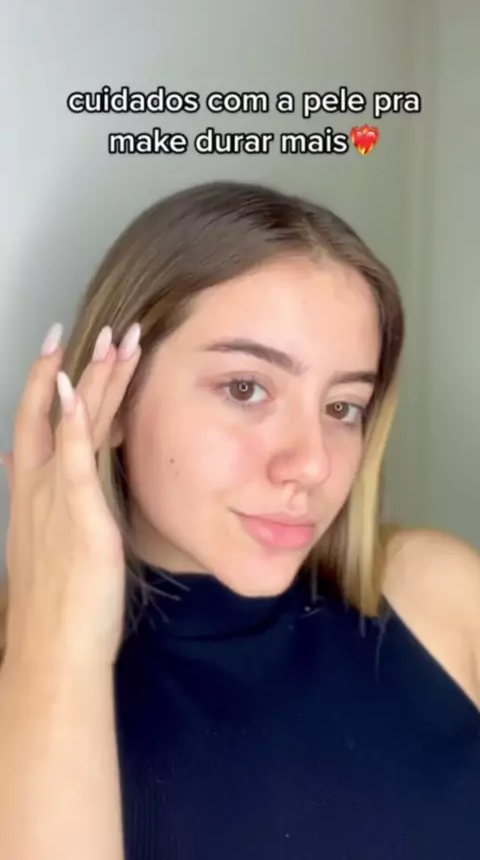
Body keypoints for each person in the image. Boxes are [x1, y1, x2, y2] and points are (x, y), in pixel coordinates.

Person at [0, 180, 479, 860]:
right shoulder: (24, 687)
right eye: (246, 388)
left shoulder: (436, 596)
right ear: (113, 401)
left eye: (342, 407)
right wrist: (54, 649)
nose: (312, 463)